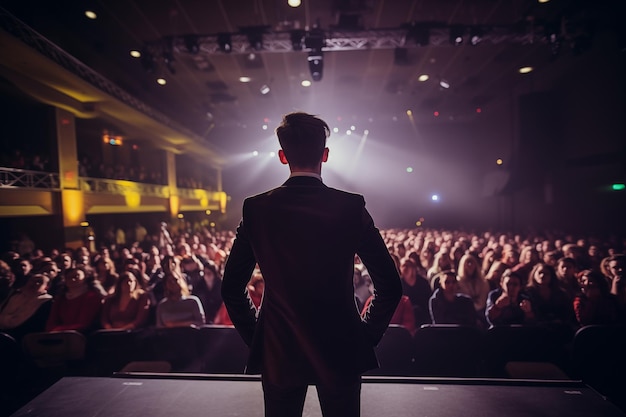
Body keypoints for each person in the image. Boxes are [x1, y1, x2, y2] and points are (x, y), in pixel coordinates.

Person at [221, 112, 402, 417]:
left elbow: (230, 289)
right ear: (325, 155)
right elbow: (390, 285)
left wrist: (261, 338)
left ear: (282, 156)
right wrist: (364, 335)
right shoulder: (350, 206)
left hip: (279, 348)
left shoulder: (256, 209)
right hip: (341, 345)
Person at [45, 266, 104, 333]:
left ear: (85, 277)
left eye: (76, 276)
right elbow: (52, 321)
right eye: (68, 277)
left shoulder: (92, 297)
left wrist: (59, 330)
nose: (72, 279)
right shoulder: (61, 299)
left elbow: (84, 323)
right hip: (59, 335)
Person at [0, 273, 52, 340]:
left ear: (46, 287)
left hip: (23, 336)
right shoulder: (16, 295)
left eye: (40, 282)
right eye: (32, 280)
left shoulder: (46, 301)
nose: (35, 283)